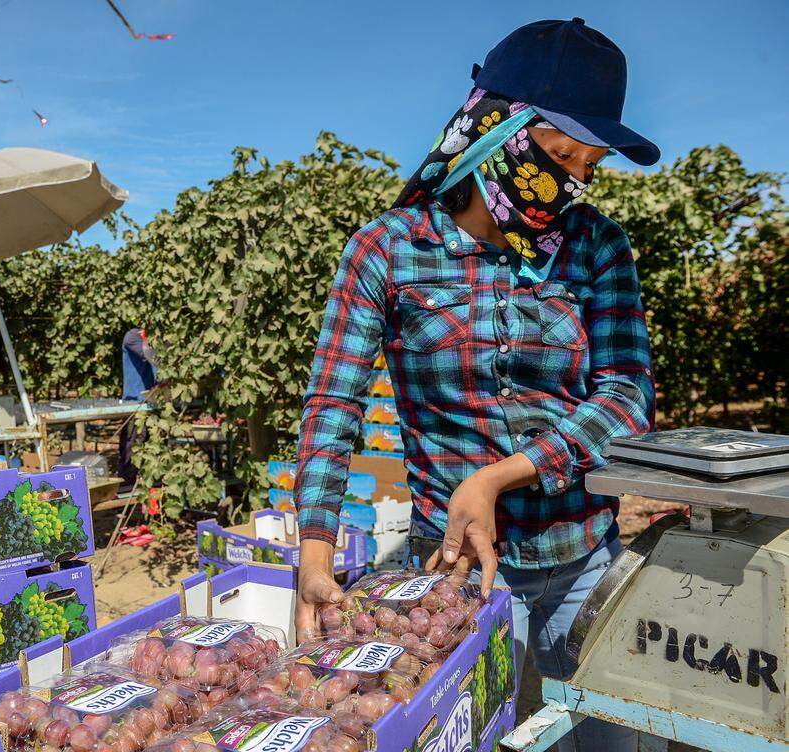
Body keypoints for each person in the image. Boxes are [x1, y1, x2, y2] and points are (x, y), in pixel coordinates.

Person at [293, 19, 656, 752]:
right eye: (560, 154)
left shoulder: (595, 246)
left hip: (584, 556)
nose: (575, 179)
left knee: (605, 742)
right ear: (498, 128)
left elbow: (626, 396)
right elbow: (336, 400)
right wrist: (314, 548)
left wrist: (498, 477)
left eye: (589, 163)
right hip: (460, 575)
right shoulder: (388, 249)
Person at [119, 326, 157, 486]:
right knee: (131, 449)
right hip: (134, 403)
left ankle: (152, 498)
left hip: (154, 403)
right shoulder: (133, 337)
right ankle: (125, 488)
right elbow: (151, 355)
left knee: (154, 451)